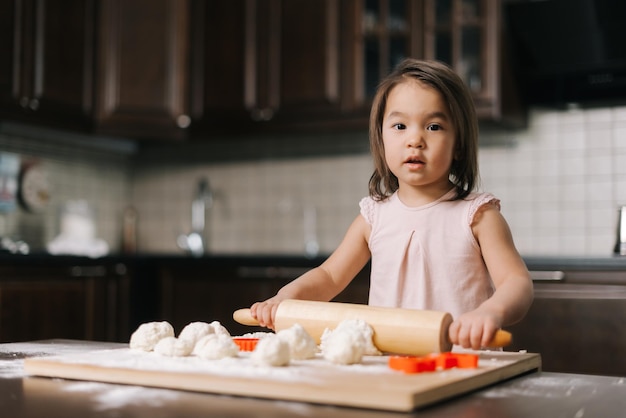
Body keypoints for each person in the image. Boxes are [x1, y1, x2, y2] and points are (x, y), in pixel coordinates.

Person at [250, 58, 533, 350]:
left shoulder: (478, 217)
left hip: (464, 367)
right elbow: (329, 276)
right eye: (400, 125)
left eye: (434, 126)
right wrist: (287, 296)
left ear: (459, 144)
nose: (415, 139)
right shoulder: (374, 217)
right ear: (381, 138)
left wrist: (490, 312)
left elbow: (517, 283)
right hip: (391, 368)